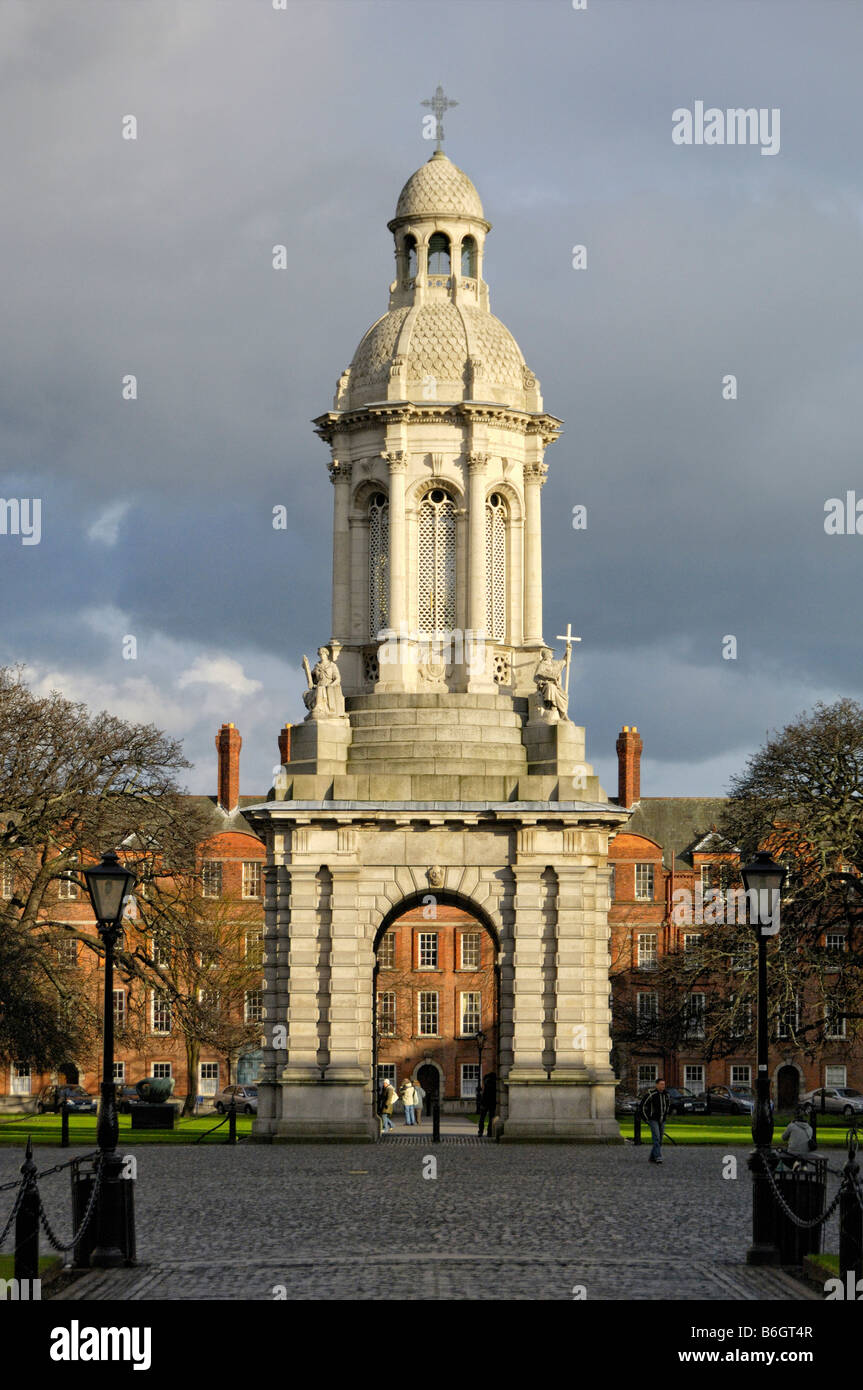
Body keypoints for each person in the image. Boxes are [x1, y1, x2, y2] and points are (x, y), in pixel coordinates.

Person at [640, 1078, 671, 1164]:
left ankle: (652, 1157)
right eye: (661, 1084)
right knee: (656, 1138)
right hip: (653, 1120)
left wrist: (666, 1115)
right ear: (656, 1085)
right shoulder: (651, 1094)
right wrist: (646, 1118)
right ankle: (658, 1156)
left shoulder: (666, 1095)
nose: (663, 1086)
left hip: (662, 1120)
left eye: (664, 1084)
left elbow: (668, 1106)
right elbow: (642, 1106)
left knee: (660, 1139)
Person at [477, 1072, 497, 1137]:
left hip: (485, 1101)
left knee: (482, 1118)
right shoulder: (494, 1084)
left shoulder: (486, 1082)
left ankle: (480, 1131)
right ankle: (489, 1132)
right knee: (490, 1118)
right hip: (491, 1102)